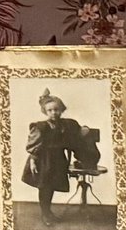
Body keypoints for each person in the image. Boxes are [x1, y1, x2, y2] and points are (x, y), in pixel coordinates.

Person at [23, 90, 102, 221]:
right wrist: (33, 161)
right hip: (43, 159)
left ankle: (48, 212)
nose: (54, 113)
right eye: (50, 110)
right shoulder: (40, 127)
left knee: (52, 186)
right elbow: (33, 146)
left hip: (58, 159)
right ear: (45, 111)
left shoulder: (66, 124)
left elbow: (77, 133)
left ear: (61, 110)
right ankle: (45, 213)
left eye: (56, 110)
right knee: (44, 187)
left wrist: (85, 130)